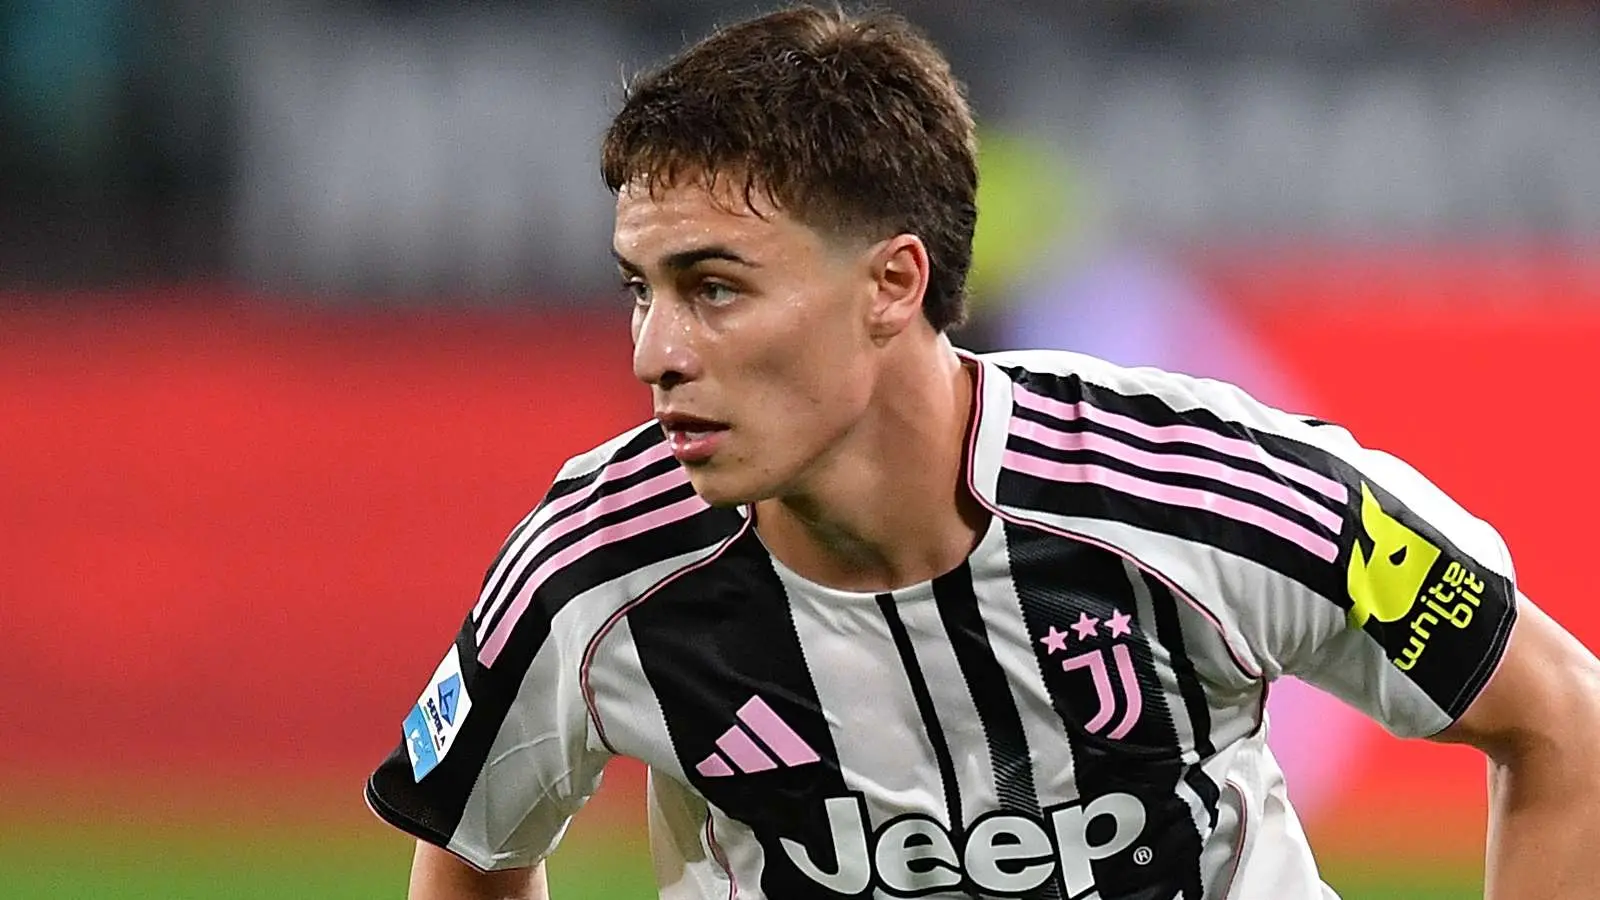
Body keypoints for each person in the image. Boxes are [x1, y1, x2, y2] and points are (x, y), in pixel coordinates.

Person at [365, 5, 1600, 898]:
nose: (655, 352)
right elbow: (470, 847)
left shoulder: (1200, 492)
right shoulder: (595, 564)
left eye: (715, 287)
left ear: (892, 284)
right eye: (640, 289)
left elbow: (1561, 722)